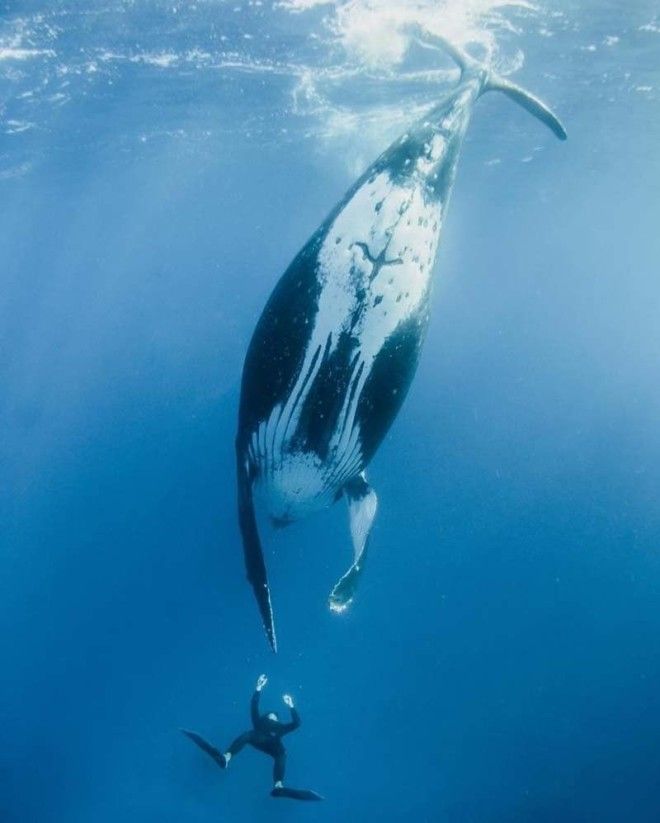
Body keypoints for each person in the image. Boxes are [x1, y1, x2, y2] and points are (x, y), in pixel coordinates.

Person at [182, 674, 322, 801]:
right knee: (248, 734)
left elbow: (297, 723)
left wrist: (291, 705)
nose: (274, 718)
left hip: (273, 746)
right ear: (266, 717)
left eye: (276, 717)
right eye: (271, 716)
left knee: (282, 753)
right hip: (258, 737)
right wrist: (258, 688)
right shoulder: (259, 722)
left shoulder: (280, 728)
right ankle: (226, 757)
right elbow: (254, 707)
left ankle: (278, 785)